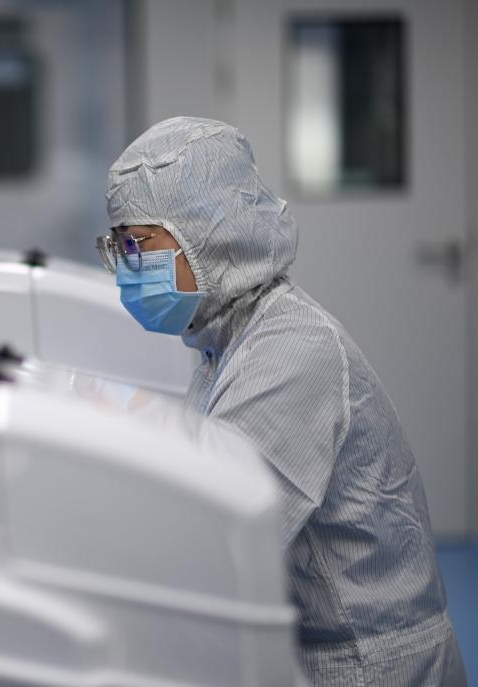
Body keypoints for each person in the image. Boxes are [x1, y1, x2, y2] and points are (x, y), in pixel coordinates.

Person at [101, 117, 466, 685]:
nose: (125, 266)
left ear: (206, 233)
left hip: (365, 664)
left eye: (136, 244)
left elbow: (214, 544)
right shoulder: (225, 341)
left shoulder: (290, 350)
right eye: (117, 246)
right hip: (315, 649)